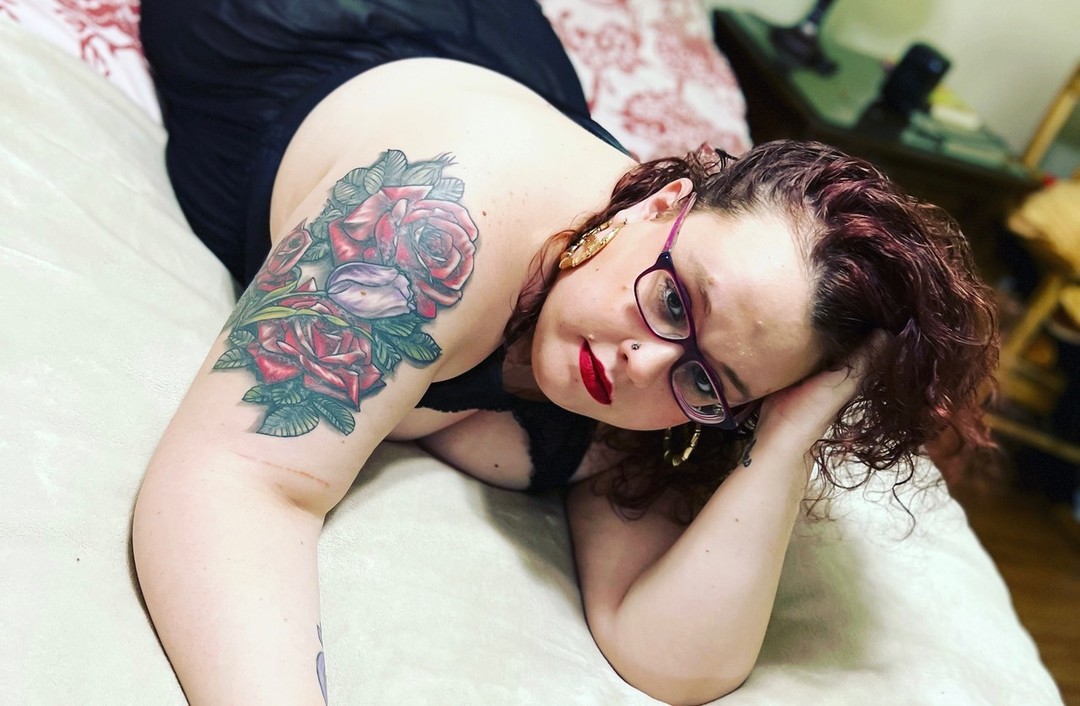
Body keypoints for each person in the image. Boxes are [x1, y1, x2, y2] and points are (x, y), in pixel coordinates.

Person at [133, 1, 999, 704]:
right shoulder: (436, 217)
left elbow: (668, 660)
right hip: (316, 28)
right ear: (656, 205)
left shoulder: (681, 403)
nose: (642, 365)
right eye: (673, 300)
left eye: (707, 378)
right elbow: (236, 480)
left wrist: (787, 437)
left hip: (507, 63)